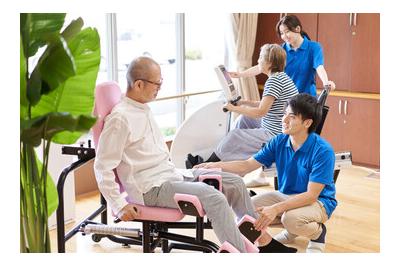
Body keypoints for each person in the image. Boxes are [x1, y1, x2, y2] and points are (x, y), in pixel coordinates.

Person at [93, 56, 297, 253]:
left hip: (170, 174)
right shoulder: (120, 119)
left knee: (235, 182)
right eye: (157, 84)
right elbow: (102, 166)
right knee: (214, 198)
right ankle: (242, 254)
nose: (159, 88)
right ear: (138, 85)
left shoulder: (142, 109)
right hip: (151, 188)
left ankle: (262, 239)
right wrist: (119, 205)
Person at [195, 93, 337, 253]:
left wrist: (276, 209)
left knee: (291, 219)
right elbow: (246, 165)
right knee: (245, 210)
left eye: (291, 117)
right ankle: (288, 233)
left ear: (307, 123)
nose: (284, 120)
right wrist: (215, 165)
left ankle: (317, 232)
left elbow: (311, 195)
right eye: (284, 114)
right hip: (287, 196)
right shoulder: (279, 141)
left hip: (319, 202)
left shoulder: (322, 150)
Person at [186, 44, 298, 173]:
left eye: (261, 58)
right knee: (244, 119)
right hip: (277, 126)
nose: (258, 61)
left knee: (234, 135)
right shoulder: (282, 77)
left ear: (269, 63)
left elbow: (261, 112)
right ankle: (233, 163)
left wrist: (234, 109)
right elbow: (265, 104)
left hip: (276, 133)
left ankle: (206, 166)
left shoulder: (274, 81)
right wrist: (243, 102)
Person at [231, 14, 335, 97]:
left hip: (306, 100)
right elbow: (261, 67)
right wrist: (240, 74)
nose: (284, 36)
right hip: (286, 99)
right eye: (281, 33)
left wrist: (326, 83)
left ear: (298, 28)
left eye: (287, 31)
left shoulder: (314, 47)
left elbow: (319, 67)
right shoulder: (281, 50)